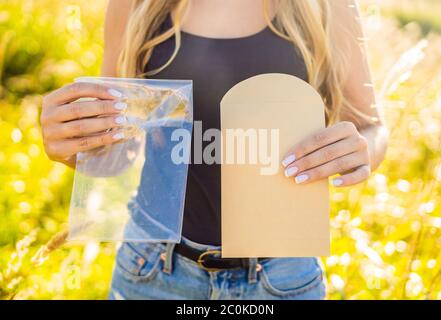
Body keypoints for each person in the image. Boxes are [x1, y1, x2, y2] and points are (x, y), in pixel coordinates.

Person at [40, 0, 389, 300]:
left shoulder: (324, 6)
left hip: (281, 275)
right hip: (153, 268)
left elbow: (371, 128)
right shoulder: (138, 6)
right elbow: (120, 149)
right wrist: (77, 147)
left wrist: (361, 151)